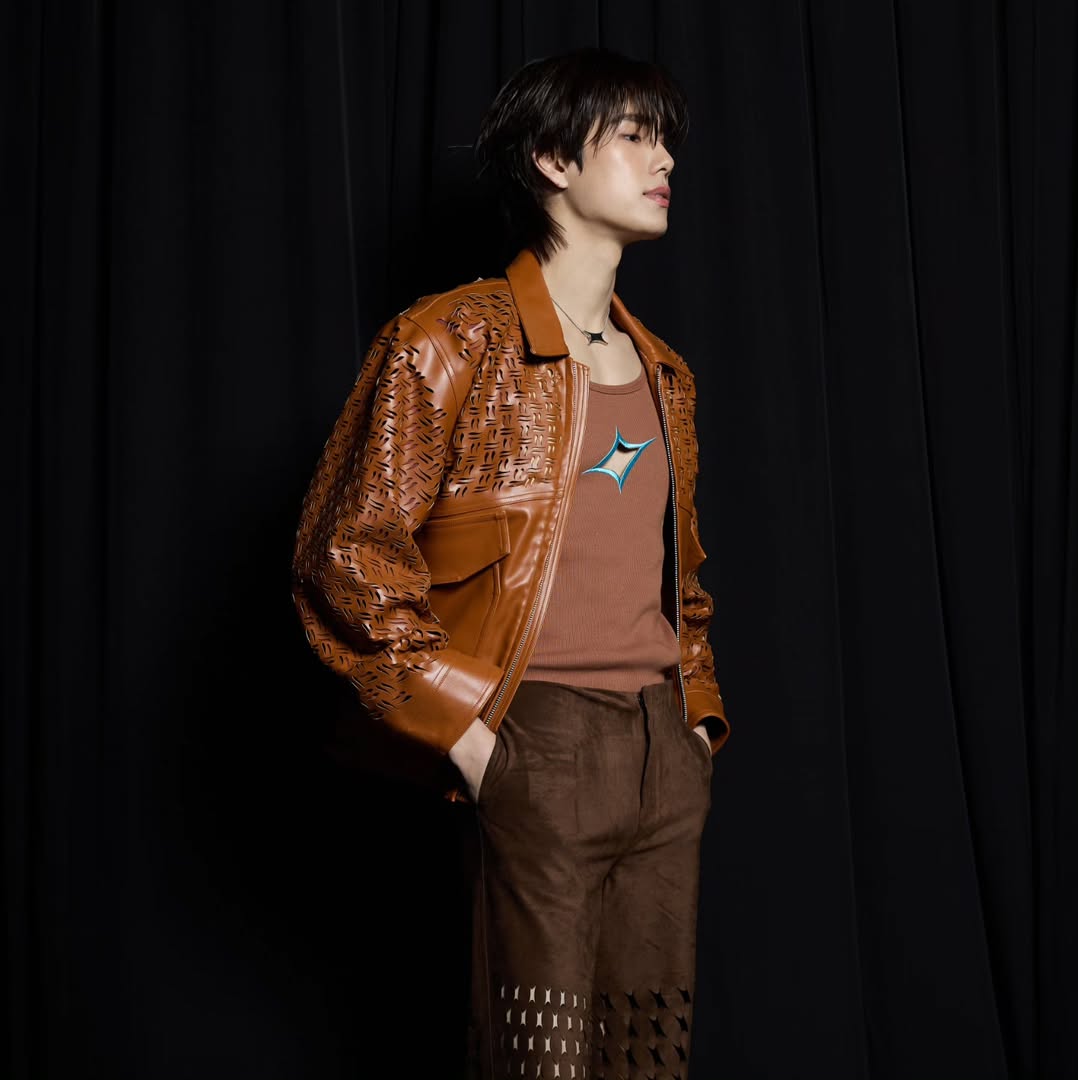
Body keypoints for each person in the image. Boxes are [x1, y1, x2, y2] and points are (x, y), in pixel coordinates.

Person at [291, 45, 730, 1080]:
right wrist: (472, 734)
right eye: (634, 135)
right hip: (539, 740)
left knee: (651, 1057)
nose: (664, 159)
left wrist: (697, 719)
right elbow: (344, 553)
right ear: (552, 160)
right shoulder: (451, 340)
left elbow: (682, 577)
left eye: (665, 138)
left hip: (663, 751)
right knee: (541, 1062)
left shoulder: (665, 373)